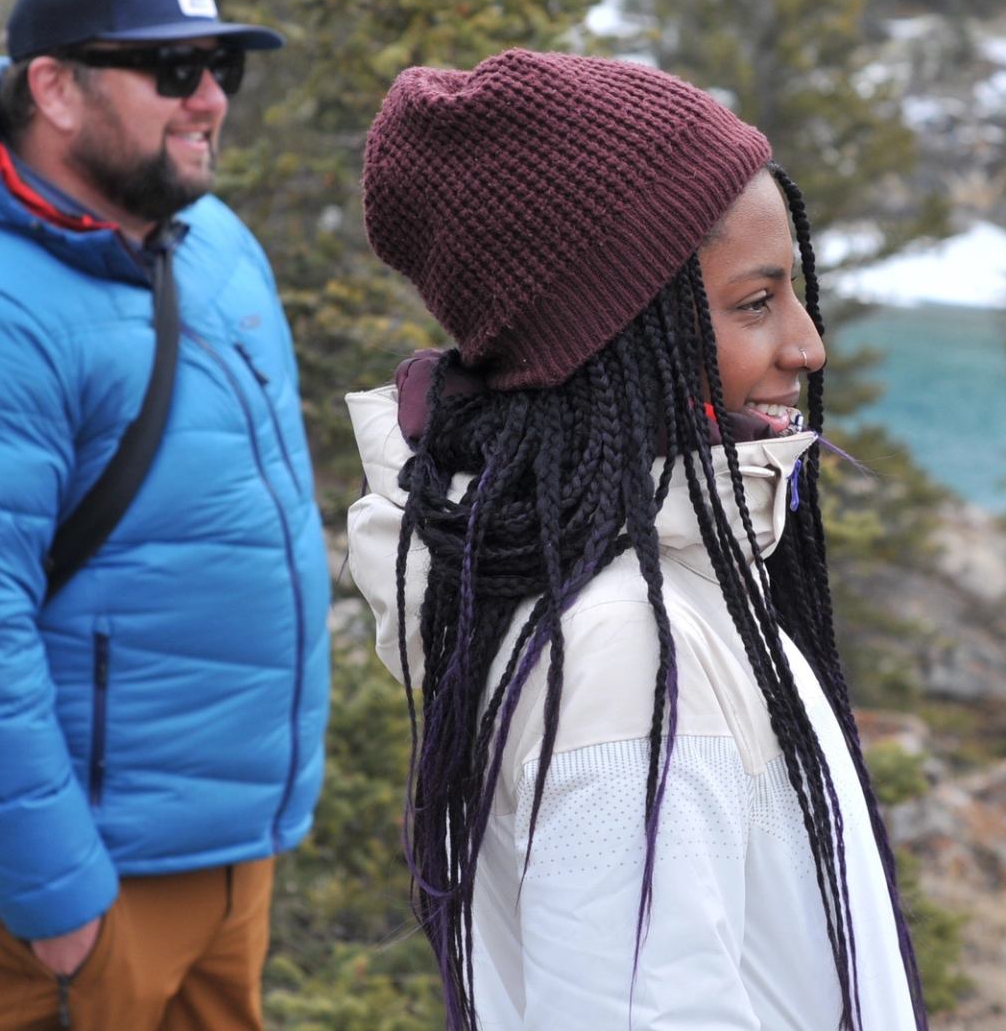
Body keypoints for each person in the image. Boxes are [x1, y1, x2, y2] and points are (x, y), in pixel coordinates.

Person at [345, 50, 929, 1029]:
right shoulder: (625, 650)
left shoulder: (654, 583)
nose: (807, 344)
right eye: (755, 302)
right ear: (617, 345)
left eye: (792, 294)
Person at [0, 0, 331, 1030]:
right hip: (78, 890)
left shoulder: (213, 244)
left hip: (228, 853)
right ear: (54, 88)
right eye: (172, 68)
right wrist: (58, 903)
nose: (209, 100)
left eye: (222, 67)